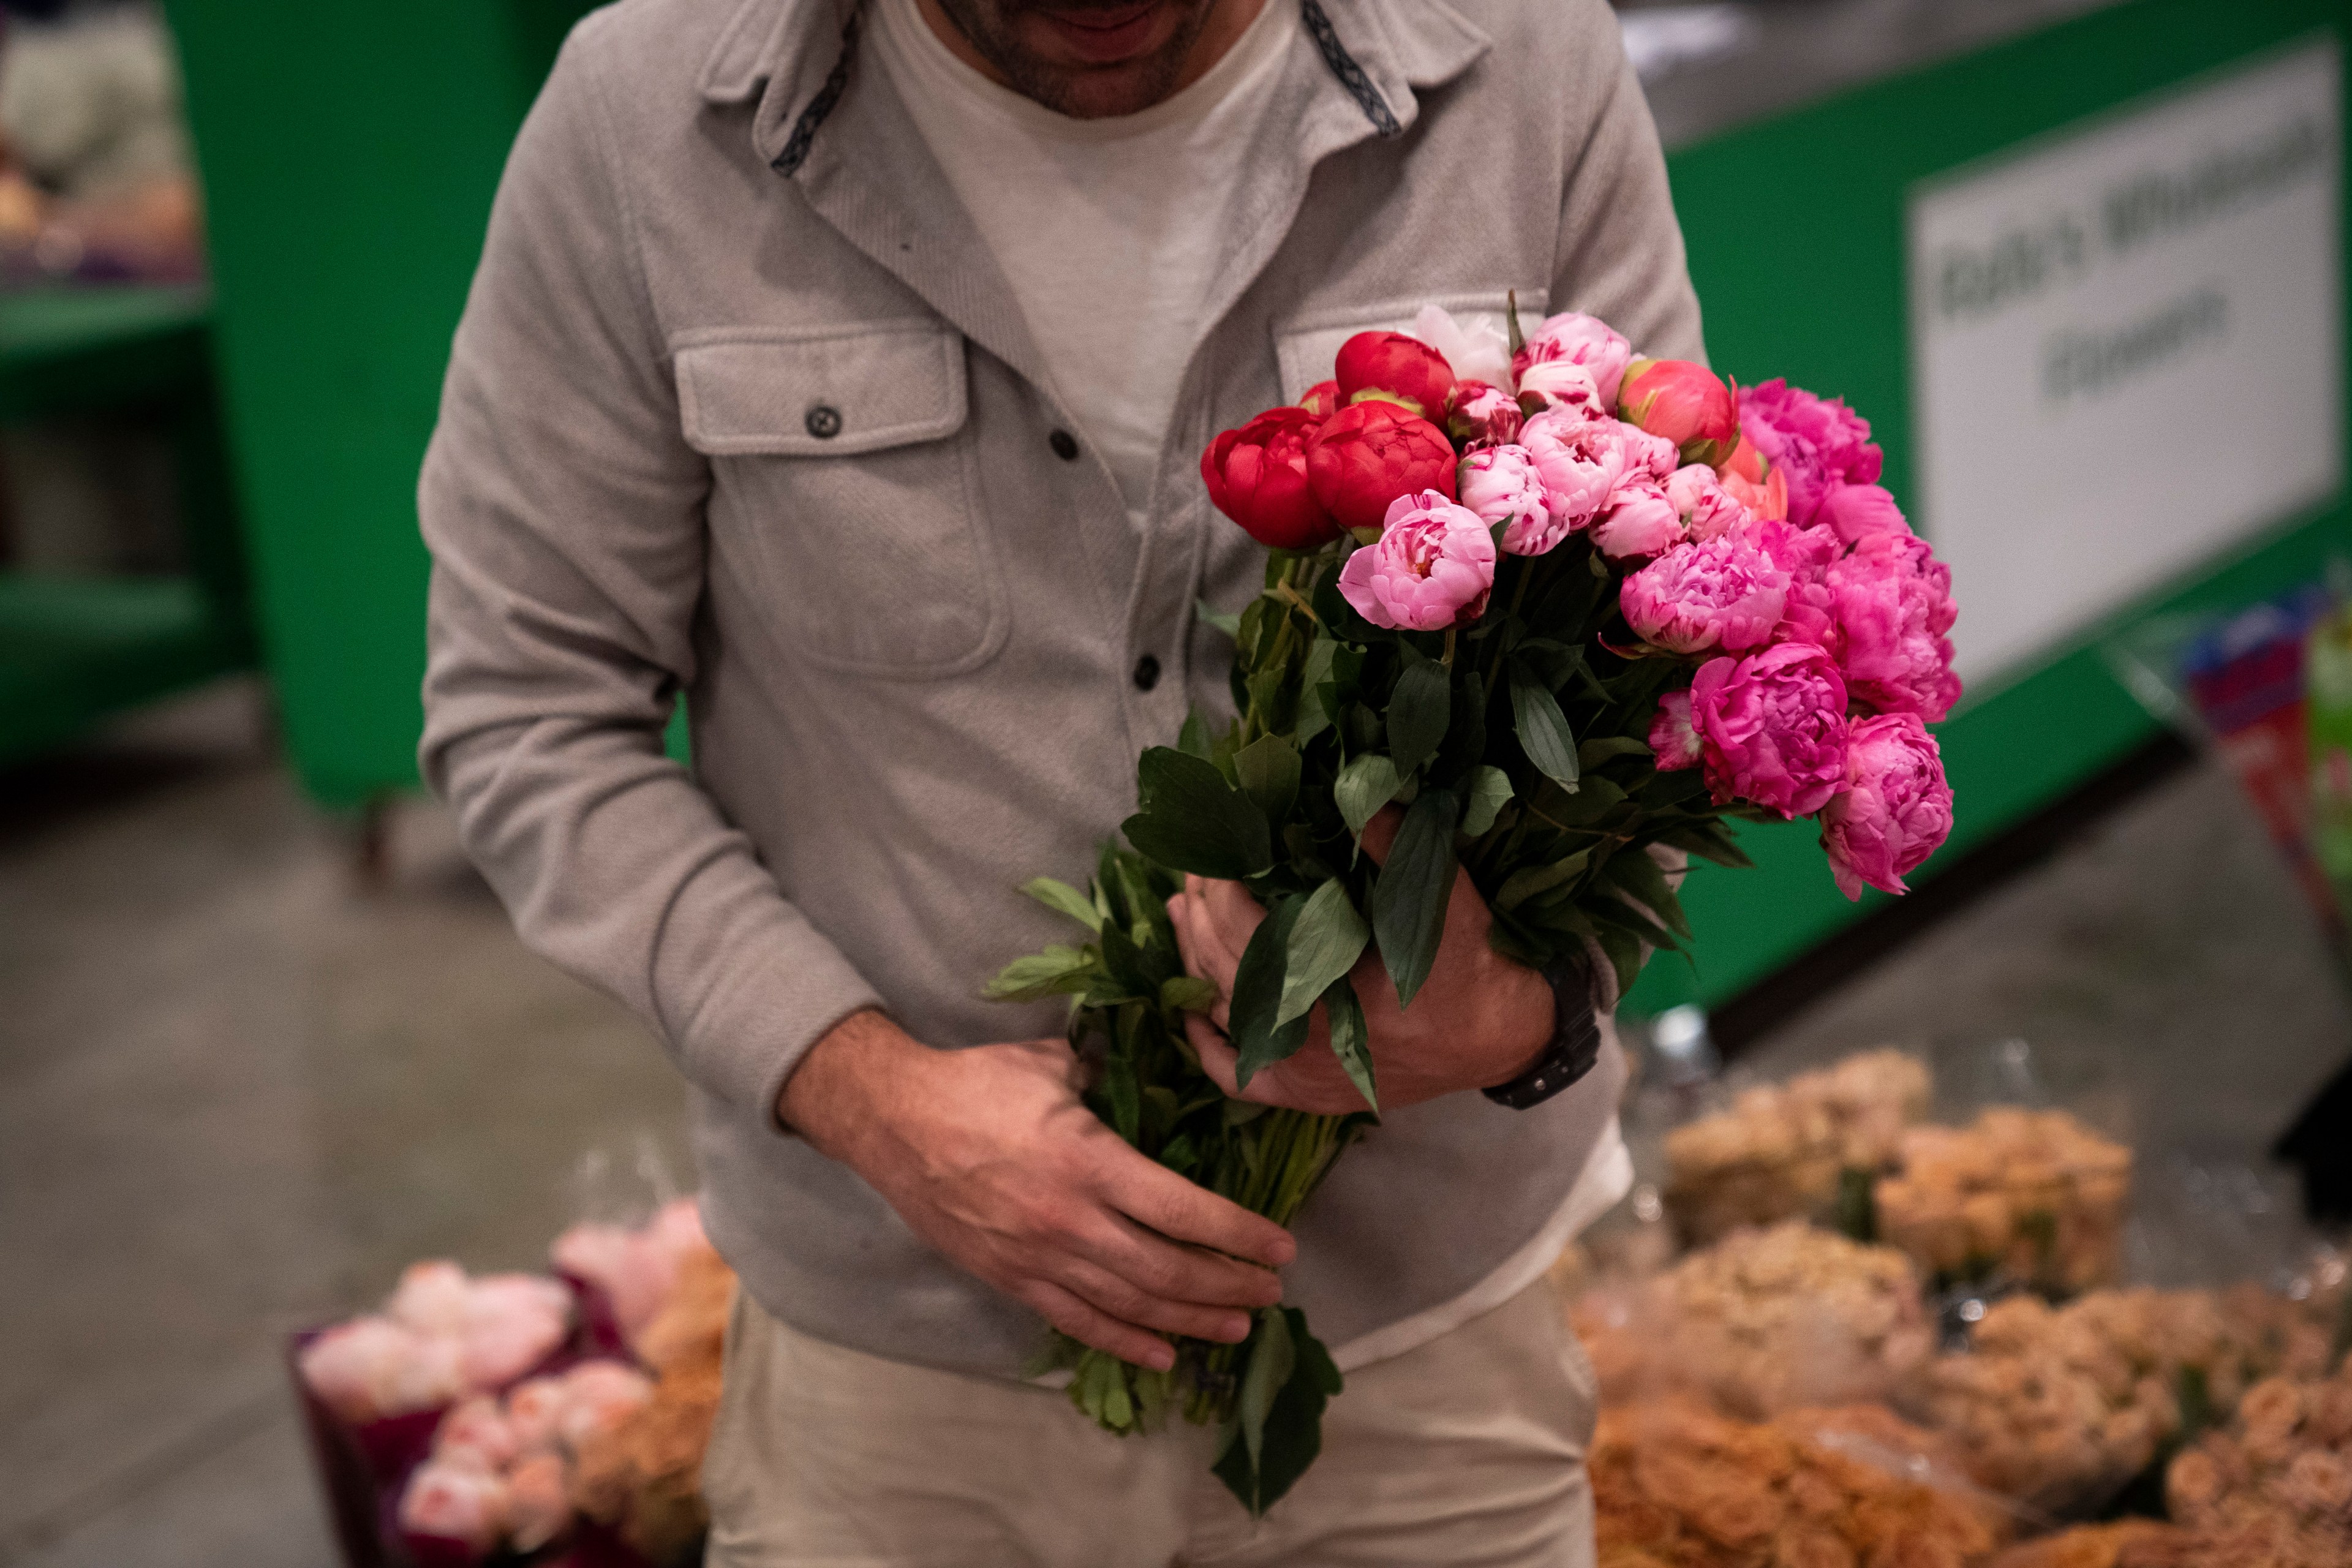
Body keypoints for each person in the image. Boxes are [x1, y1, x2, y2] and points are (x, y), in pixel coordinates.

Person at [419, 0, 1703, 1561]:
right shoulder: (648, 118)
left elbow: (1679, 632)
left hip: (1424, 1352)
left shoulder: (1519, 62)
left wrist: (1518, 1010)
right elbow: (529, 701)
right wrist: (870, 1093)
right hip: (909, 1374)